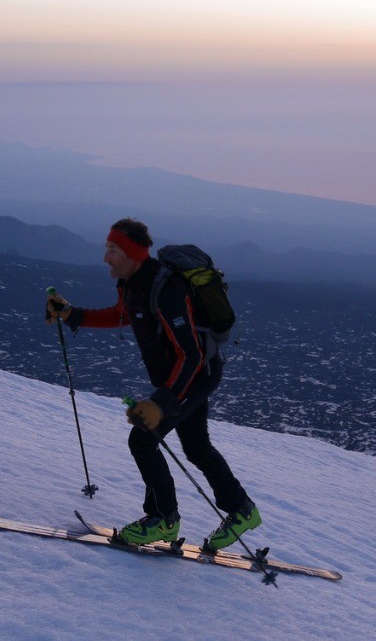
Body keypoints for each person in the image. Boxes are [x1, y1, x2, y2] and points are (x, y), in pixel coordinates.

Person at [45, 218, 260, 549]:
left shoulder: (166, 291)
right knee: (197, 447)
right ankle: (241, 510)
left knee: (142, 440)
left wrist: (162, 402)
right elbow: (121, 315)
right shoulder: (134, 284)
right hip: (183, 378)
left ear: (131, 253)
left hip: (195, 375)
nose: (106, 258)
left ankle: (163, 519)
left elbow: (191, 356)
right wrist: (72, 315)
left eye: (113, 250)